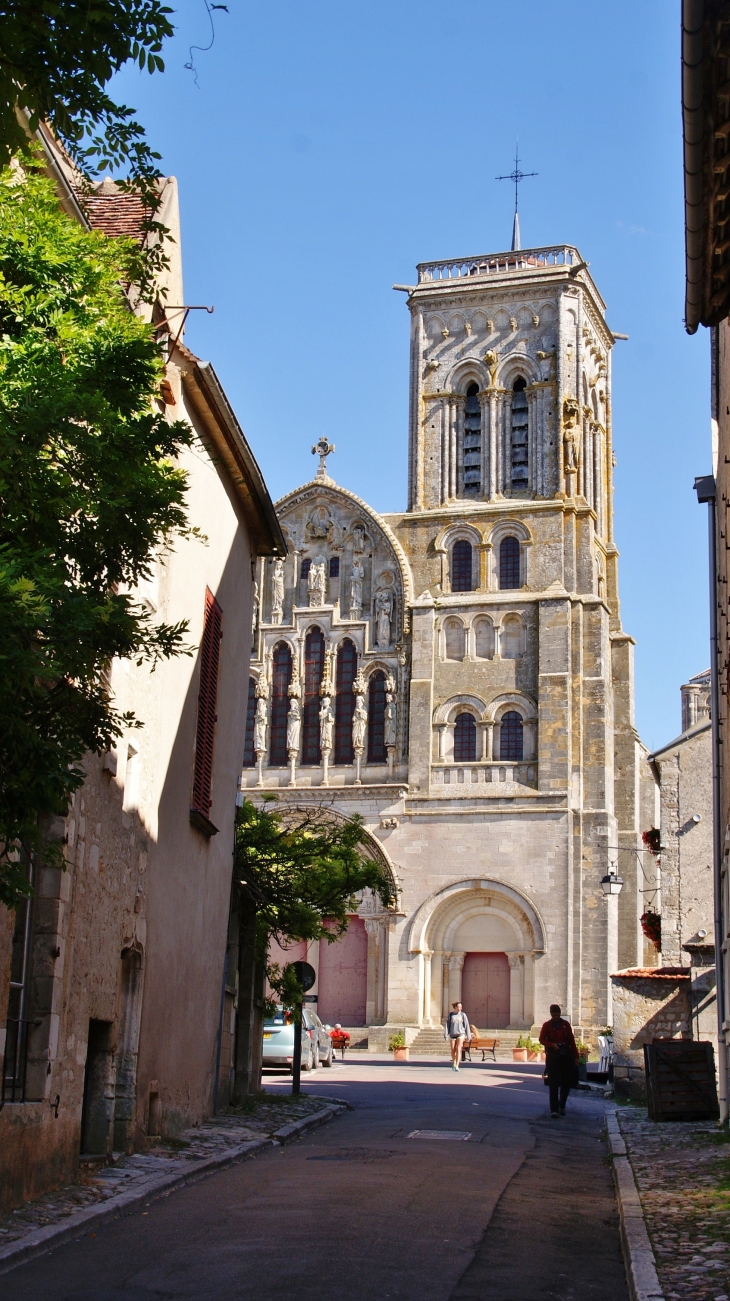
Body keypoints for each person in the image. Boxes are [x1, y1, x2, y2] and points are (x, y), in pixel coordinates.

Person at [539, 1004, 579, 1117]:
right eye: (554, 1015)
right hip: (552, 1056)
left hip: (566, 1055)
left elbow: (571, 1041)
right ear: (551, 1015)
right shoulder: (547, 1025)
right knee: (553, 1083)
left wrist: (576, 1057)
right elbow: (541, 1039)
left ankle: (562, 1104)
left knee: (566, 1082)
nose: (556, 1017)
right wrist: (552, 1044)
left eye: (557, 1015)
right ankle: (554, 1109)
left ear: (560, 1014)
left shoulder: (565, 1025)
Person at [445, 1001, 471, 1072]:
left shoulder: (463, 1015)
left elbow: (466, 1025)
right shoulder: (451, 1015)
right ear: (455, 1007)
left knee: (458, 1049)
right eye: (459, 1007)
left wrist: (468, 1035)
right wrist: (446, 1034)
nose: (460, 1008)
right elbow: (447, 1025)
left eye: (461, 1007)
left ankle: (457, 1065)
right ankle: (454, 1061)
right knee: (453, 1049)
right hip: (452, 1034)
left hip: (461, 1033)